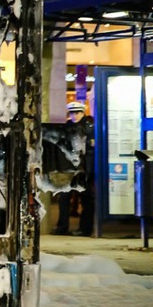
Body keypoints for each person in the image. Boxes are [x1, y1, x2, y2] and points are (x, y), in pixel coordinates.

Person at [55, 101, 95, 237]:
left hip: (84, 169)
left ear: (83, 112)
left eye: (77, 112)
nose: (74, 115)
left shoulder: (89, 128)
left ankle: (85, 229)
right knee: (64, 197)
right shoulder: (68, 127)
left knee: (86, 199)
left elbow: (90, 151)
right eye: (72, 112)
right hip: (70, 168)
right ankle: (62, 227)